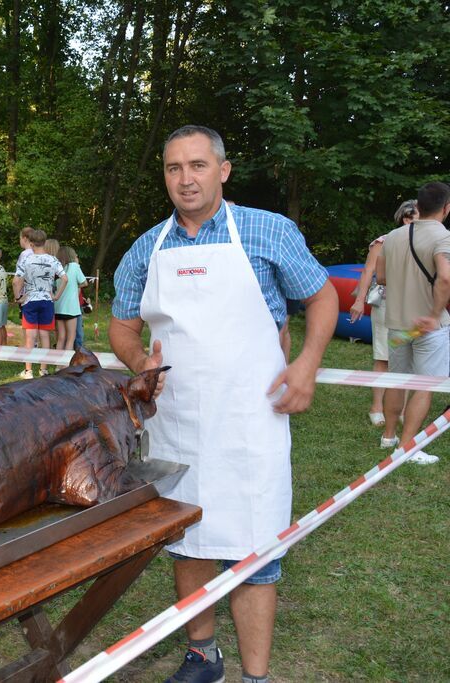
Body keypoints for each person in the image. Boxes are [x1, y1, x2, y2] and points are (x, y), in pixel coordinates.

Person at [109, 125, 337, 683]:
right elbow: (121, 325)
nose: (186, 179)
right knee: (188, 541)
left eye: (198, 165)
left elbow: (322, 296)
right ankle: (203, 655)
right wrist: (139, 360)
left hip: (250, 421)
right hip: (179, 422)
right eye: (173, 168)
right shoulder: (147, 247)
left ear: (223, 170)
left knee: (255, 552)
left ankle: (255, 676)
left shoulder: (267, 231)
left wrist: (305, 364)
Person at [376, 181, 450, 465]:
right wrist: (433, 314)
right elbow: (445, 277)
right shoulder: (443, 238)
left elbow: (381, 277)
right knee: (425, 386)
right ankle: (407, 448)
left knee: (397, 379)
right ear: (446, 208)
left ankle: (389, 435)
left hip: (397, 322)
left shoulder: (393, 236)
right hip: (428, 325)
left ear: (417, 206)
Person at [349, 199, 418, 425]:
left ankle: (401, 410)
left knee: (408, 358)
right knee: (383, 356)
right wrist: (359, 301)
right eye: (419, 216)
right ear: (406, 219)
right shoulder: (383, 241)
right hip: (386, 304)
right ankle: (376, 407)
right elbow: (368, 271)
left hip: (414, 306)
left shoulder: (425, 242)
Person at [13, 229, 67, 379]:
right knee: (45, 336)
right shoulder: (53, 260)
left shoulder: (26, 260)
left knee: (30, 337)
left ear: (31, 244)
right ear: (44, 242)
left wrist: (19, 297)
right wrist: (56, 296)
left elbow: (16, 281)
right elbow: (65, 279)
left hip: (30, 300)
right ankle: (44, 369)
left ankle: (28, 371)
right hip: (47, 300)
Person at [53, 245, 86, 352]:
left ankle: (58, 365)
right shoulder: (74, 266)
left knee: (61, 338)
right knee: (70, 338)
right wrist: (75, 286)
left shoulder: (57, 268)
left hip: (58, 307)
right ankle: (65, 365)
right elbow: (84, 283)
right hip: (71, 309)